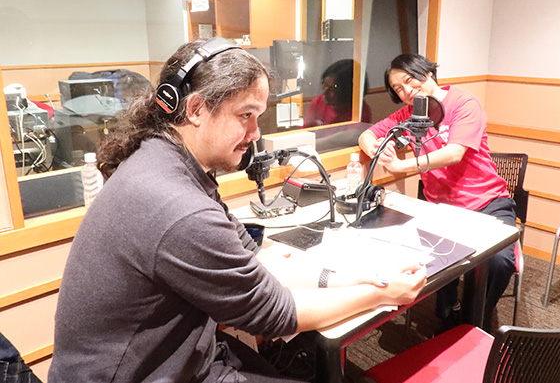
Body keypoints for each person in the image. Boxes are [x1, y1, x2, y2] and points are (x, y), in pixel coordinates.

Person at [48, 38, 426, 383]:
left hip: (181, 356)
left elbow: (255, 258)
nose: (256, 132)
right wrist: (383, 295)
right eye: (246, 115)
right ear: (196, 108)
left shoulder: (167, 162)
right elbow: (276, 314)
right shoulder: (178, 206)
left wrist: (359, 278)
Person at [358, 53, 516, 333]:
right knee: (434, 260)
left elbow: (454, 153)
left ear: (427, 73)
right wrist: (373, 147)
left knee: (499, 262)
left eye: (409, 80)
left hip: (487, 201)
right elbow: (368, 133)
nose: (406, 91)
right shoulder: (409, 114)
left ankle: (474, 318)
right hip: (441, 208)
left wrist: (401, 166)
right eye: (398, 89)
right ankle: (448, 312)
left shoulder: (464, 103)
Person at [303, 59, 371, 128]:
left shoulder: (359, 112)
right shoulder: (318, 102)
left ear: (347, 92)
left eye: (332, 89)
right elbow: (305, 130)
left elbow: (353, 133)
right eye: (325, 84)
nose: (325, 91)